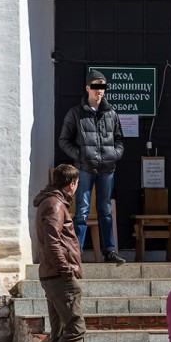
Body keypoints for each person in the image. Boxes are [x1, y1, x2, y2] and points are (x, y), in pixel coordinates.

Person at [30, 164, 90, 342]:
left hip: (52, 274)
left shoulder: (52, 202)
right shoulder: (55, 205)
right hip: (59, 276)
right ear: (71, 184)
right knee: (76, 329)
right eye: (76, 184)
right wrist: (66, 269)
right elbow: (53, 241)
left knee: (60, 333)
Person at [58, 69, 126, 264]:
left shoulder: (111, 113)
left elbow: (120, 140)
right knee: (82, 211)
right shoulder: (76, 113)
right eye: (96, 86)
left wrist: (115, 154)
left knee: (105, 210)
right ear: (88, 88)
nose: (100, 91)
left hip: (107, 169)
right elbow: (64, 141)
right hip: (85, 168)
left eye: (103, 87)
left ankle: (109, 252)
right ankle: (76, 252)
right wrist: (80, 155)